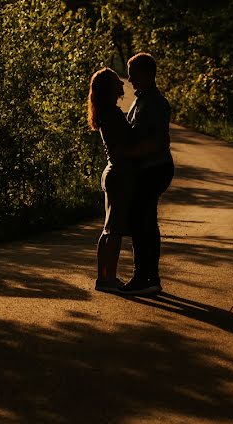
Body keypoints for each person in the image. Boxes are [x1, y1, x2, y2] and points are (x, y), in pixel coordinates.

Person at [119, 52, 174, 296]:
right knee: (144, 221)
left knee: (143, 222)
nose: (129, 80)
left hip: (154, 168)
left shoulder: (155, 103)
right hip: (146, 168)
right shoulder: (140, 99)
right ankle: (148, 276)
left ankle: (145, 277)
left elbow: (157, 143)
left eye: (133, 74)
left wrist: (126, 153)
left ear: (147, 74)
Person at [87, 67, 142, 292]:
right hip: (118, 173)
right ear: (110, 87)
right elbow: (122, 149)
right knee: (113, 230)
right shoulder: (111, 113)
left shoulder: (108, 111)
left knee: (110, 228)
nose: (123, 85)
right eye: (117, 82)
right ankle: (106, 279)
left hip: (114, 172)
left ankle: (106, 277)